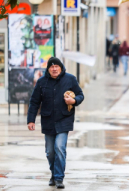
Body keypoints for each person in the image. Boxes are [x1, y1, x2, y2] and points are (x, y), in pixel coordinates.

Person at [28, 57, 84, 189]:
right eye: (51, 67)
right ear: (48, 69)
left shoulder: (70, 79)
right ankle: (53, 173)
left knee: (59, 147)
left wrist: (74, 100)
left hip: (64, 119)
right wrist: (31, 120)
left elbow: (81, 95)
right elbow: (34, 101)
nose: (54, 69)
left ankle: (59, 178)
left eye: (56, 66)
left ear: (61, 67)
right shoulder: (42, 82)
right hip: (48, 120)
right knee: (49, 152)